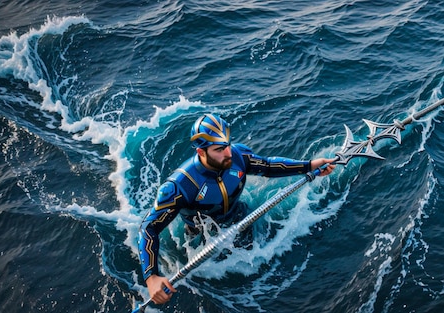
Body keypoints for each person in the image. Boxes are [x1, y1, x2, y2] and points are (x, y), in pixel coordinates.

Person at [137, 114, 336, 304]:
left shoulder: (239, 156)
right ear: (201, 152)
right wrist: (151, 277)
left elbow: (267, 166)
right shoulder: (180, 185)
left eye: (228, 145)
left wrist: (308, 166)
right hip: (203, 240)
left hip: (242, 221)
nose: (228, 153)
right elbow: (149, 228)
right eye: (219, 149)